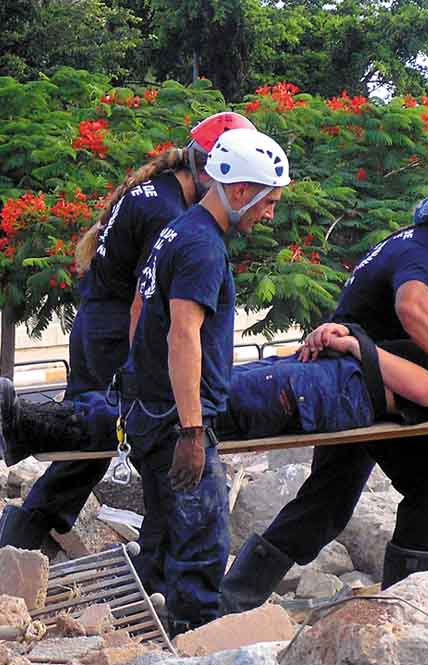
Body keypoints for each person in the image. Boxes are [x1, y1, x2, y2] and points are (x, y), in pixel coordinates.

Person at [218, 162, 428, 616]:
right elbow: (413, 308)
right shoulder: (421, 251)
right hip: (353, 387)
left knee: (329, 501)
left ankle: (233, 602)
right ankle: (402, 607)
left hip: (373, 386)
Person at [0, 112, 256, 550]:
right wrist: (146, 371)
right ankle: (25, 436)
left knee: (96, 433)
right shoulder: (169, 212)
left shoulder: (158, 194)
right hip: (115, 331)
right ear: (208, 169)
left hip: (95, 322)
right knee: (128, 427)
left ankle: (26, 532)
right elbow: (146, 304)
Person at [112, 127, 289, 632]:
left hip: (151, 408)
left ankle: (134, 629)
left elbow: (143, 312)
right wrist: (191, 432)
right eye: (268, 200)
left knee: (164, 533)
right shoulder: (202, 247)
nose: (270, 213)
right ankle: (193, 645)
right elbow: (183, 336)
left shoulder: (178, 228)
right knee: (202, 543)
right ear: (239, 191)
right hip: (176, 421)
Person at [0, 313, 428, 456]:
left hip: (335, 393)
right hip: (332, 385)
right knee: (176, 393)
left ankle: (27, 428)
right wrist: (349, 337)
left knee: (180, 408)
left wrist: (358, 347)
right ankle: (32, 416)